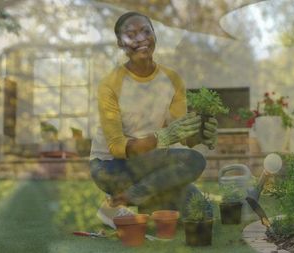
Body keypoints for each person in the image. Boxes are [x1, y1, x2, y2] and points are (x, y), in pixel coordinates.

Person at [89, 12, 216, 228]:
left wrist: (203, 134)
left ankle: (137, 202)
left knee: (202, 210)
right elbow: (117, 146)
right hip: (111, 167)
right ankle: (129, 198)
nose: (140, 39)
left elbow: (184, 136)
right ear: (121, 43)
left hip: (149, 164)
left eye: (146, 31)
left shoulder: (172, 79)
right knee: (194, 160)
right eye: (131, 35)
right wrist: (161, 137)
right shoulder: (110, 84)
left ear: (154, 35)